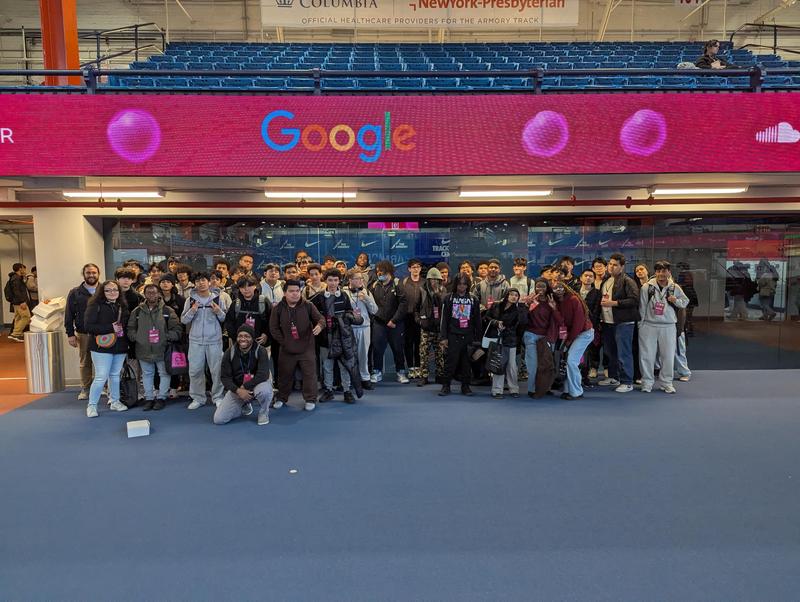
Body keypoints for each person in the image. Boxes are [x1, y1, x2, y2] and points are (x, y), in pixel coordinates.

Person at [269, 280, 325, 412]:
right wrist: (284, 341)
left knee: (309, 374)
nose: (295, 294)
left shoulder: (308, 305)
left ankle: (310, 399)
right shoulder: (278, 308)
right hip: (286, 348)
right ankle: (281, 398)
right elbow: (273, 328)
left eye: (297, 291)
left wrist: (319, 326)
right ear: (285, 293)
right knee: (284, 375)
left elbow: (321, 319)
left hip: (306, 347)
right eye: (291, 291)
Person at [127, 284, 182, 411]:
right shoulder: (137, 311)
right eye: (148, 293)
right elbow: (130, 328)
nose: (151, 295)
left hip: (162, 349)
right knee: (147, 374)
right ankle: (149, 398)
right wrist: (137, 338)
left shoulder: (167, 311)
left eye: (154, 292)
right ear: (144, 294)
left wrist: (166, 337)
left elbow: (177, 329)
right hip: (143, 349)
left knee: (164, 374)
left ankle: (161, 397)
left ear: (159, 294)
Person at [314, 269, 364, 403]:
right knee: (327, 366)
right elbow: (313, 314)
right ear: (325, 281)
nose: (333, 283)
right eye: (330, 280)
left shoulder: (343, 295)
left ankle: (347, 391)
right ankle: (328, 390)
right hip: (325, 337)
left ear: (339, 281)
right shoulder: (319, 296)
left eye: (336, 280)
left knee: (344, 365)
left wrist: (348, 317)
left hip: (341, 336)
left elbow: (349, 311)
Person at [639, 260, 689, 394]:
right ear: (655, 273)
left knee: (668, 356)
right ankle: (647, 382)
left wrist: (676, 301)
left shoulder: (675, 287)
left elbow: (685, 302)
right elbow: (642, 307)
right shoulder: (646, 287)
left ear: (669, 272)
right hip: (649, 325)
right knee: (646, 355)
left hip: (668, 326)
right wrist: (641, 325)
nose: (661, 274)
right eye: (659, 271)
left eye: (664, 271)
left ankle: (666, 382)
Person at [180, 271, 228, 410]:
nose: (201, 283)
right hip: (195, 341)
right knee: (195, 371)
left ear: (209, 282)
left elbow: (224, 318)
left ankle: (218, 397)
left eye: (204, 280)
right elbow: (183, 320)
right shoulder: (190, 300)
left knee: (217, 371)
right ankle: (198, 398)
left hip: (215, 340)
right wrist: (193, 311)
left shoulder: (218, 298)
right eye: (198, 281)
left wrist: (218, 311)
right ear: (194, 283)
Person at [83, 280, 130, 417]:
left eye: (115, 289)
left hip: (120, 345)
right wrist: (110, 328)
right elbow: (88, 327)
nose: (112, 292)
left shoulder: (122, 306)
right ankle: (92, 405)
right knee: (101, 376)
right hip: (100, 347)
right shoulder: (94, 305)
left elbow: (126, 327)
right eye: (108, 290)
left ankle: (115, 401)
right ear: (102, 292)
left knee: (115, 375)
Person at [214, 324, 273, 426]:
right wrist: (238, 391)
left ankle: (263, 412)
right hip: (238, 388)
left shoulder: (261, 351)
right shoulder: (229, 353)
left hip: (256, 384)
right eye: (240, 336)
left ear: (252, 338)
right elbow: (225, 377)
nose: (243, 339)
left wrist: (245, 387)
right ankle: (244, 404)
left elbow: (263, 374)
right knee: (219, 419)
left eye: (247, 336)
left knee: (265, 391)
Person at [598, 253, 641, 393]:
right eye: (610, 264)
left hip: (624, 322)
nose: (611, 267)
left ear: (622, 266)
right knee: (610, 352)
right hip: (607, 322)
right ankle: (613, 376)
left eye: (615, 265)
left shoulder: (628, 281)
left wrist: (614, 303)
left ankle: (627, 381)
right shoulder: (606, 281)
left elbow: (634, 300)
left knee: (624, 353)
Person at [438, 273, 481, 397]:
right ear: (456, 284)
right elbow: (444, 319)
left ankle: (466, 387)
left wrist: (478, 340)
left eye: (464, 284)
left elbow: (477, 320)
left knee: (466, 363)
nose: (462, 286)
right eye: (460, 284)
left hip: (468, 336)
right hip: (453, 335)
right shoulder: (448, 298)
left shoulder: (473, 299)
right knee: (450, 362)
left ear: (468, 285)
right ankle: (446, 386)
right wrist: (444, 337)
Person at [552, 280, 594, 400]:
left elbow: (578, 323)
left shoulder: (573, 299)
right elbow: (562, 322)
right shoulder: (558, 302)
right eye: (555, 288)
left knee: (571, 361)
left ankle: (576, 392)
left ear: (565, 287)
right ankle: (567, 389)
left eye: (560, 287)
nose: (558, 290)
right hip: (572, 335)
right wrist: (554, 309)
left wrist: (570, 340)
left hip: (584, 333)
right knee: (566, 361)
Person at [370, 260, 409, 384]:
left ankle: (401, 372)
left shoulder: (398, 284)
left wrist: (394, 320)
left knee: (398, 349)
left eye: (382, 272)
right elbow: (370, 304)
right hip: (379, 323)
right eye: (378, 272)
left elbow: (403, 304)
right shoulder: (374, 285)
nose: (379, 274)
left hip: (395, 324)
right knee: (377, 349)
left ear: (389, 272)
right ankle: (377, 372)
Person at [66, 263, 101, 400]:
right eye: (88, 273)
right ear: (84, 274)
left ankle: (102, 387)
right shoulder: (75, 292)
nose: (91, 275)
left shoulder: (105, 290)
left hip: (102, 333)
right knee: (85, 362)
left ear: (98, 274)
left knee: (101, 362)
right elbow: (69, 314)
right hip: (83, 333)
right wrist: (70, 334)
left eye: (94, 272)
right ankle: (85, 389)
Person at [522, 278, 561, 398]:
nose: (540, 289)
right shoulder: (530, 300)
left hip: (547, 337)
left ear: (547, 288)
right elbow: (523, 319)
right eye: (538, 286)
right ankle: (531, 389)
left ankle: (546, 387)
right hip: (531, 335)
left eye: (543, 286)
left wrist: (553, 308)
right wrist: (526, 306)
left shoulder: (552, 301)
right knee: (533, 365)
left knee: (546, 365)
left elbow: (559, 320)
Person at [486, 288, 524, 399]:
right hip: (497, 339)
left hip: (510, 340)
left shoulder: (517, 311)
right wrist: (496, 322)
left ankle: (514, 389)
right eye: (511, 294)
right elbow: (487, 317)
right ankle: (497, 390)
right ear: (506, 295)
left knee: (512, 366)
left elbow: (518, 326)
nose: (514, 297)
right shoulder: (496, 305)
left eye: (516, 295)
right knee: (499, 364)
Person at [344, 269, 378, 391]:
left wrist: (367, 299)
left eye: (361, 278)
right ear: (350, 280)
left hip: (364, 328)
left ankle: (365, 378)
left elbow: (374, 310)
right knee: (350, 356)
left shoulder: (367, 291)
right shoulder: (344, 292)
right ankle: (351, 379)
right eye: (357, 278)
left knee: (363, 355)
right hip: (350, 328)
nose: (361, 281)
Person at [415, 267, 446, 387]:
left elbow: (446, 308)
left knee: (440, 353)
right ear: (428, 280)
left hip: (438, 328)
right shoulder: (422, 290)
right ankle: (423, 377)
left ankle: (440, 375)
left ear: (439, 280)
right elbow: (416, 308)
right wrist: (419, 321)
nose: (434, 282)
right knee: (423, 353)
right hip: (426, 327)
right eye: (431, 279)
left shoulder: (443, 291)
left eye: (436, 279)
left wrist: (438, 295)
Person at [225, 275, 270, 346]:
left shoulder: (264, 302)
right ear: (239, 288)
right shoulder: (235, 304)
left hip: (259, 343)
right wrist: (236, 338)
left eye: (249, 286)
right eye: (242, 287)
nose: (246, 289)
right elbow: (229, 323)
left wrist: (266, 335)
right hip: (239, 344)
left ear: (255, 286)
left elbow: (271, 321)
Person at [401, 258, 424, 380]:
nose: (416, 269)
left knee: (419, 344)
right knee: (408, 343)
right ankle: (410, 368)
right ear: (409, 269)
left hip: (420, 317)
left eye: (418, 267)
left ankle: (418, 368)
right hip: (407, 317)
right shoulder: (404, 282)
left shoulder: (424, 283)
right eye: (413, 267)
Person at [578, 269, 602, 381]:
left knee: (589, 351)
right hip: (575, 327)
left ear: (593, 279)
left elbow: (597, 311)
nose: (588, 278)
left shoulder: (597, 293)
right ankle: (576, 375)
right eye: (586, 275)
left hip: (590, 326)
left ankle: (585, 375)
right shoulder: (574, 291)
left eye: (591, 276)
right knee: (577, 352)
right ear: (581, 278)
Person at [6, 263, 31, 342]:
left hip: (16, 302)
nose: (25, 270)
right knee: (26, 317)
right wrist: (22, 301)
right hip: (20, 302)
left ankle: (17, 334)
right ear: (20, 269)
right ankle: (16, 333)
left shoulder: (15, 277)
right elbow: (17, 291)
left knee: (18, 317)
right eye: (24, 268)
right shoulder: (16, 278)